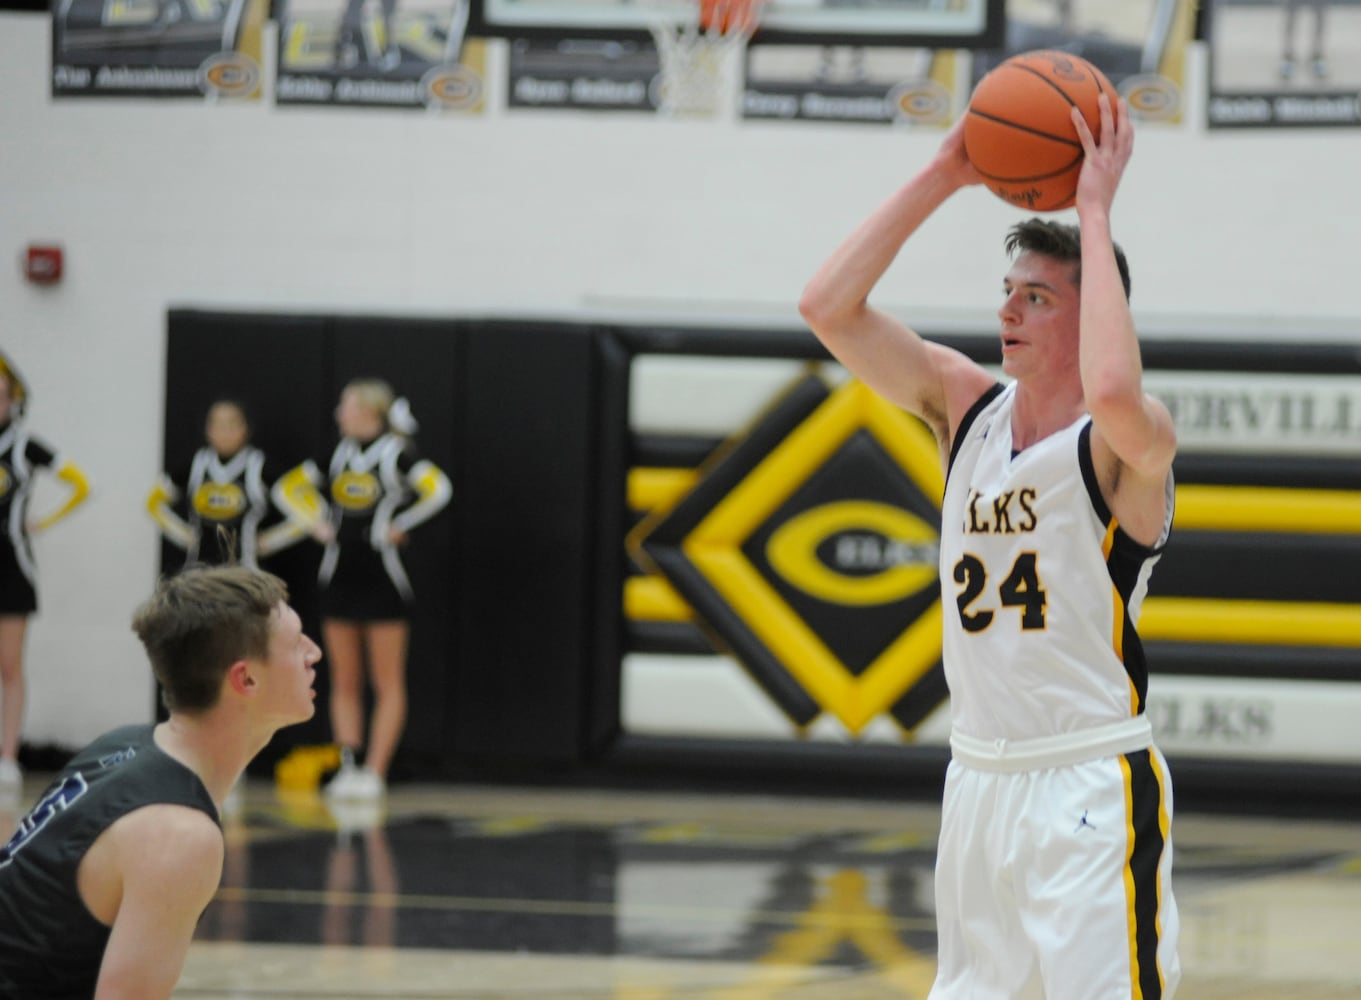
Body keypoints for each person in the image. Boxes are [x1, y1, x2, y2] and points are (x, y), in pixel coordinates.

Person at [798, 94, 1180, 997]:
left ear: (1089, 315)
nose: (1009, 311)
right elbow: (826, 306)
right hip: (976, 780)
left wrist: (1093, 209)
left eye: (1037, 298)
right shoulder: (963, 405)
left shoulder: (1126, 441)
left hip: (1088, 780)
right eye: (1007, 293)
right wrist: (945, 171)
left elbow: (1116, 391)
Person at [0, 565, 323, 998]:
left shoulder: (124, 744)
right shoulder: (180, 835)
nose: (314, 651)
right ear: (246, 678)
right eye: (296, 641)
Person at [273, 379, 451, 800]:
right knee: (344, 679)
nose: (339, 413)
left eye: (346, 406)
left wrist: (399, 526)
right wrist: (316, 522)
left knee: (387, 680)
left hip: (384, 580)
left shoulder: (396, 455)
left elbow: (440, 490)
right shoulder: (336, 455)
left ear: (370, 413)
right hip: (339, 576)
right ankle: (349, 766)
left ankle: (375, 771)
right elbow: (285, 489)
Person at [0, 353, 92, 797]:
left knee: (9, 665)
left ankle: (7, 758)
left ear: (13, 402)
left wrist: (43, 522)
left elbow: (81, 485)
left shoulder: (24, 445)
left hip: (12, 565)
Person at [146, 398, 305, 571]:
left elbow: (308, 512)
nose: (224, 432)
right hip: (200, 575)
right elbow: (153, 502)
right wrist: (182, 535)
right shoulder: (197, 464)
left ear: (245, 429)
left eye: (232, 424)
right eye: (218, 425)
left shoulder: (258, 466)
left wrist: (271, 541)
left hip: (245, 576)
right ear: (208, 430)